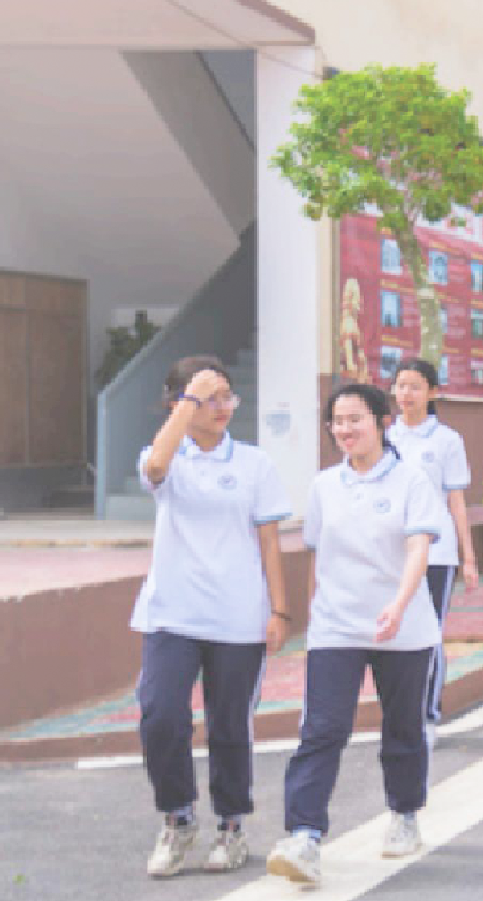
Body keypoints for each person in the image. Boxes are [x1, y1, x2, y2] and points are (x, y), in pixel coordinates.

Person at [265, 383, 448, 885]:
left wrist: (400, 602)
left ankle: (405, 813)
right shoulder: (325, 486)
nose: (344, 430)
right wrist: (312, 618)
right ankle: (304, 835)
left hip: (404, 627)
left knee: (403, 725)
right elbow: (320, 554)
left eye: (354, 419)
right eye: (337, 421)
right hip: (337, 627)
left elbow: (418, 549)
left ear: (382, 421)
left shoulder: (411, 480)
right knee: (322, 728)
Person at [131, 356, 292, 879]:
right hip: (171, 614)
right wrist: (187, 404)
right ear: (181, 403)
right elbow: (155, 468)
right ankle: (178, 818)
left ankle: (231, 825)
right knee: (160, 715)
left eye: (226, 396)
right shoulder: (165, 458)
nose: (221, 407)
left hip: (237, 616)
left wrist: (280, 609)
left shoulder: (253, 464)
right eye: (209, 397)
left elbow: (269, 540)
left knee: (229, 724)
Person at [389, 360, 479, 737]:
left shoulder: (446, 440)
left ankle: (427, 714)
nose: (406, 395)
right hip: (392, 553)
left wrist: (468, 556)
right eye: (400, 386)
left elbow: (456, 500)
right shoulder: (385, 438)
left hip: (436, 555)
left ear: (431, 392)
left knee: (429, 631)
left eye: (415, 386)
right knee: (396, 634)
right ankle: (400, 712)